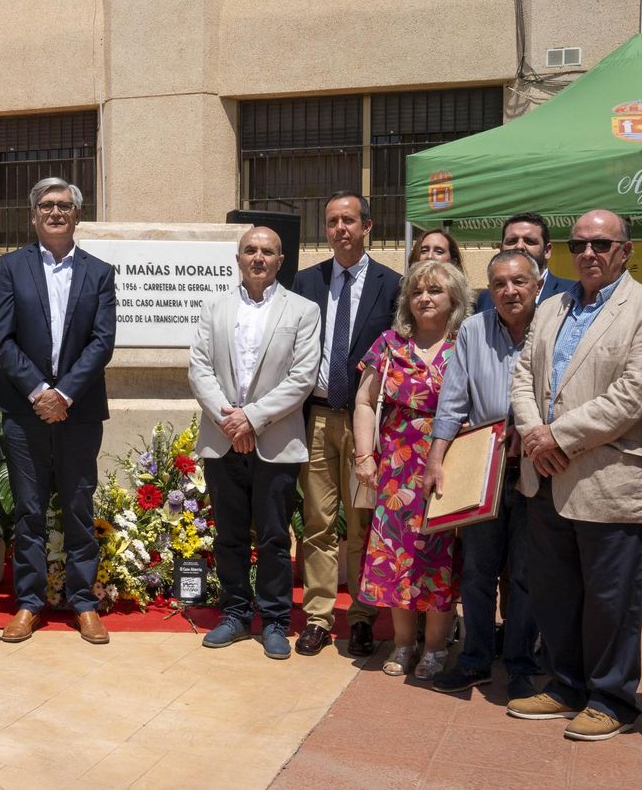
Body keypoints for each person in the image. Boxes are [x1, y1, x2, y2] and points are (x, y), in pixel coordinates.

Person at [508, 208, 642, 741]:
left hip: (608, 476)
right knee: (554, 591)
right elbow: (522, 376)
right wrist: (536, 433)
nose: (588, 254)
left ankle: (613, 697)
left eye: (601, 244)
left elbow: (633, 396)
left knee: (610, 598)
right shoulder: (551, 306)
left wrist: (555, 436)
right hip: (546, 475)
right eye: (579, 244)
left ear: (625, 250)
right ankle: (566, 685)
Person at [0, 177, 117, 644]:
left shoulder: (100, 273)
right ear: (33, 214)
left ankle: (83, 603)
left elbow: (102, 342)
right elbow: (0, 337)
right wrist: (39, 391)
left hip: (79, 413)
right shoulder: (11, 267)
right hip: (25, 413)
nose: (56, 212)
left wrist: (63, 395)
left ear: (78, 215)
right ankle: (28, 602)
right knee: (28, 511)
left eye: (64, 205)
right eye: (46, 205)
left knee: (79, 507)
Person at [188, 227, 320, 660]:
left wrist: (253, 418)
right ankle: (236, 614)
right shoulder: (214, 307)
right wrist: (230, 420)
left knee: (274, 539)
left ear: (281, 260)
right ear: (238, 257)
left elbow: (302, 377)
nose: (258, 257)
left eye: (267, 251)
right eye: (250, 250)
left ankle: (276, 621)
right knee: (228, 536)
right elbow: (199, 369)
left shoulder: (303, 310)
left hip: (275, 442)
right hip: (224, 439)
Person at [425, 250, 544, 697]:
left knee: (525, 574)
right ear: (488, 289)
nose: (509, 291)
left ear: (535, 284)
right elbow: (452, 400)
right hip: (483, 469)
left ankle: (519, 664)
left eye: (518, 282)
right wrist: (436, 458)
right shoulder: (473, 331)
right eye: (499, 284)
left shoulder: (552, 326)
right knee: (477, 572)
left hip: (537, 468)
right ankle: (474, 659)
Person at [290, 190, 400, 657]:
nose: (340, 229)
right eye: (332, 221)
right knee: (316, 523)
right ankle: (317, 617)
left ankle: (360, 616)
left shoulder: (390, 284)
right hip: (315, 418)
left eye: (349, 220)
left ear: (367, 226)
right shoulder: (305, 281)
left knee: (361, 524)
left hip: (365, 424)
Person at [352, 260, 468, 679]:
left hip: (448, 463)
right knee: (395, 556)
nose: (424, 298)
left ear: (453, 297)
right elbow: (365, 401)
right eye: (417, 291)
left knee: (439, 558)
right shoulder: (388, 344)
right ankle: (403, 644)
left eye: (435, 290)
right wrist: (365, 455)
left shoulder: (466, 343)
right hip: (396, 468)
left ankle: (435, 647)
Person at [476, 212, 577, 312]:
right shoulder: (486, 298)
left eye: (530, 241)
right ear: (501, 249)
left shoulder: (572, 293)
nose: (519, 246)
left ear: (547, 250)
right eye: (512, 241)